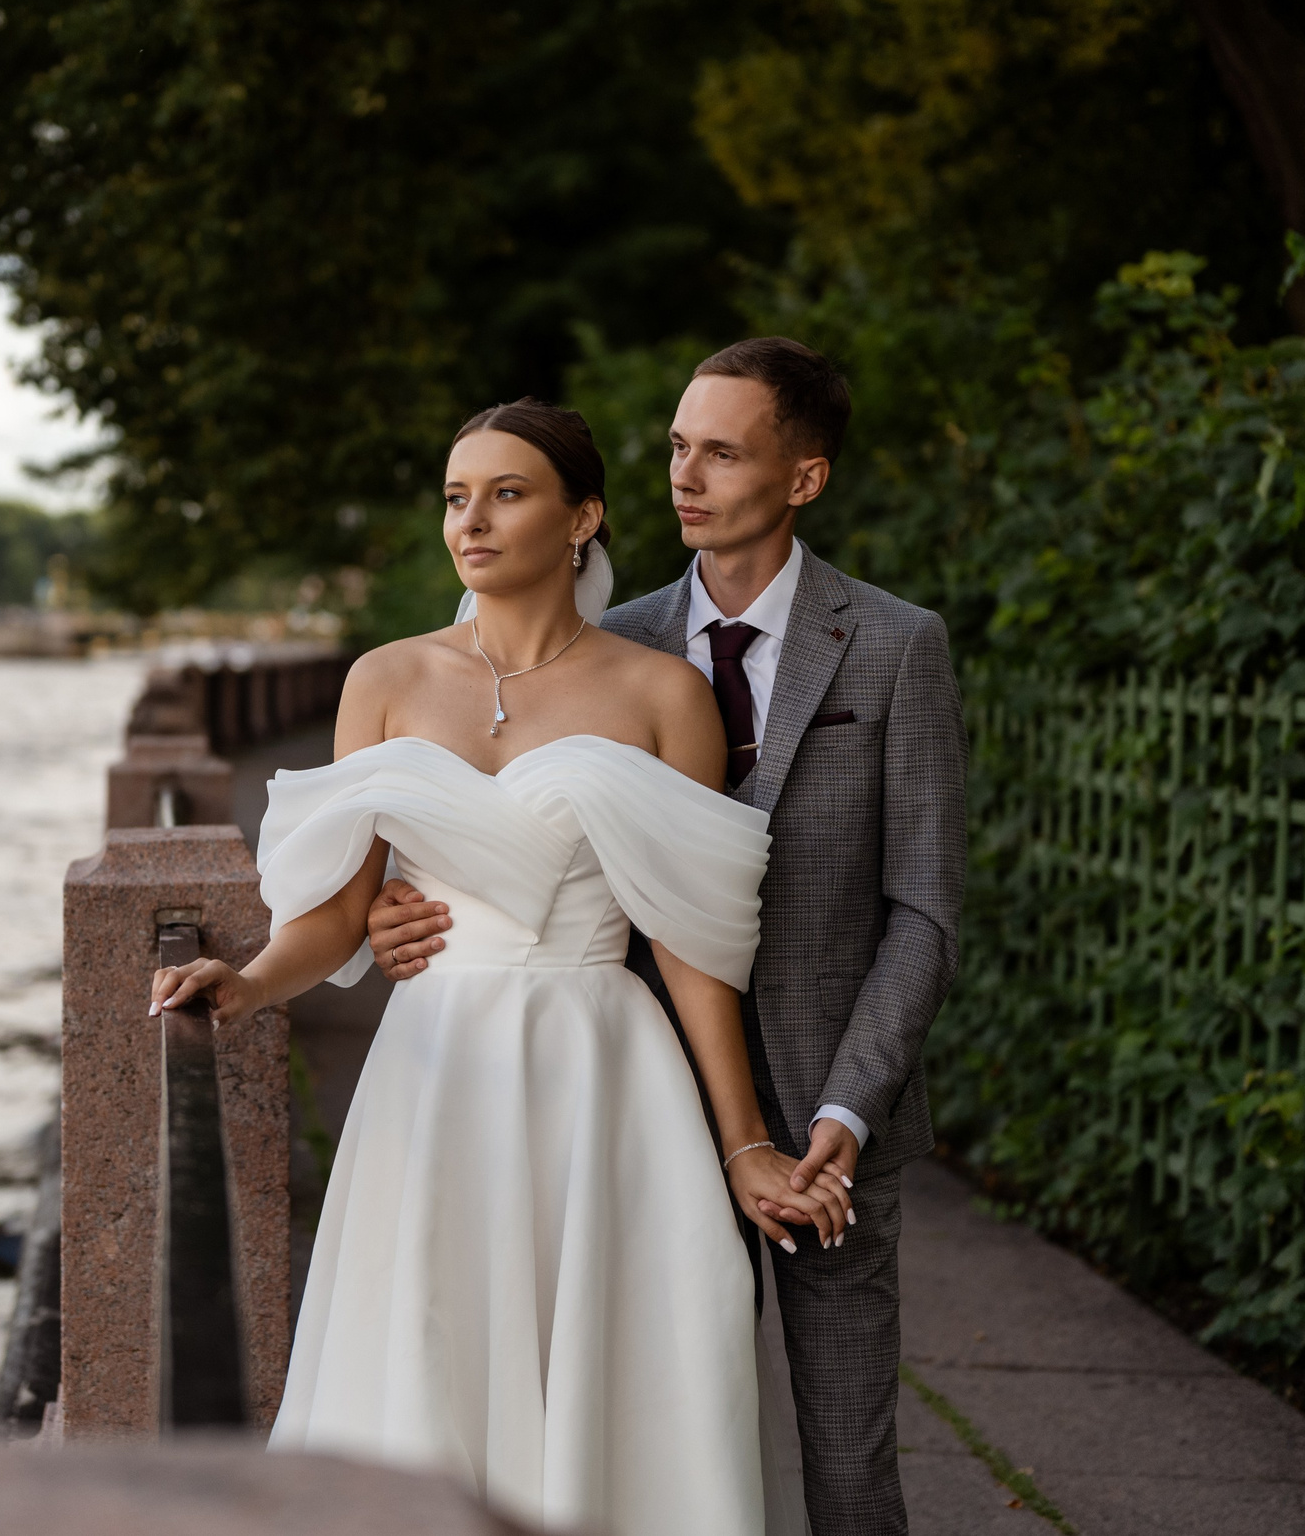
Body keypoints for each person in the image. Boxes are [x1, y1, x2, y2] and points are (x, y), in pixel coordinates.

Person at [149, 399, 844, 1536]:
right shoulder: (385, 678)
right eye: (455, 495)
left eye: (507, 491)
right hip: (433, 1068)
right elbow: (333, 911)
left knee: (612, 1386)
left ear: (583, 517)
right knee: (428, 1349)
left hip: (601, 1073)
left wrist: (742, 1143)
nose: (470, 518)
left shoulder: (661, 693)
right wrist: (251, 981)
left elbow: (694, 949)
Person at [369, 339, 966, 1536]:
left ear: (802, 478)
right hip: (626, 1116)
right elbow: (485, 816)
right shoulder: (612, 642)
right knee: (644, 1447)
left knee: (849, 1472)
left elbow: (924, 908)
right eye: (679, 446)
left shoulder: (898, 644)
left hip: (821, 1123)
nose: (686, 475)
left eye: (723, 451)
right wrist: (404, 900)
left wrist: (846, 1113)